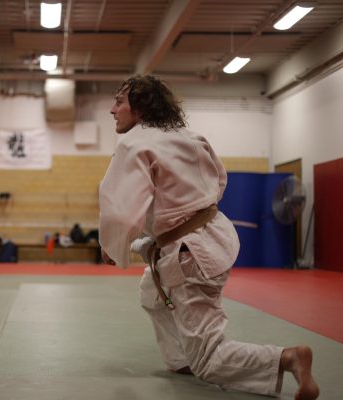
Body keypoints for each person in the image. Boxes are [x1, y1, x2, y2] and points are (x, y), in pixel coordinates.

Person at [98, 74, 319, 399]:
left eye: (119, 101)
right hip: (212, 234)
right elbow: (218, 180)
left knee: (211, 360)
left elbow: (119, 210)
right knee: (151, 292)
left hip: (190, 256)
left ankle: (286, 358)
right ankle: (180, 358)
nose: (112, 109)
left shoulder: (134, 142)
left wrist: (112, 244)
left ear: (140, 108)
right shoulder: (187, 135)